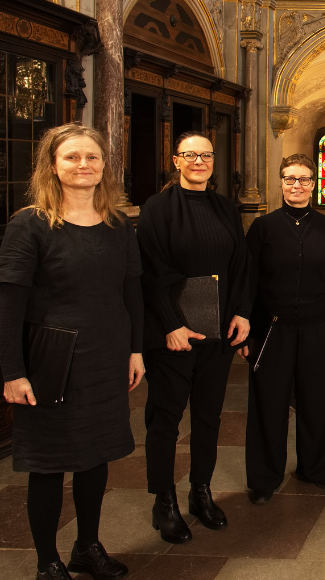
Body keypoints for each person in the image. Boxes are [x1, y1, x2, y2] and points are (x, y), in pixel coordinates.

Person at [0, 124, 143, 580]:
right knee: (49, 463)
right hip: (51, 360)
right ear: (53, 165)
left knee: (95, 457)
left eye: (92, 157)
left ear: (104, 167)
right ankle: (47, 560)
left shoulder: (120, 225)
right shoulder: (29, 225)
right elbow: (9, 304)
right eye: (72, 157)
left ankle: (87, 546)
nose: (84, 165)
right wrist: (11, 371)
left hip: (105, 355)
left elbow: (131, 292)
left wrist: (136, 350)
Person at [137, 131, 251, 544]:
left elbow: (240, 265)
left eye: (206, 155)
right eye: (191, 155)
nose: (200, 161)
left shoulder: (224, 208)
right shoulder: (157, 209)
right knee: (165, 418)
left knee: (208, 415)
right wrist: (171, 324)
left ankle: (200, 490)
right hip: (173, 332)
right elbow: (152, 272)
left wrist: (241, 313)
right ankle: (163, 501)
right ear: (176, 160)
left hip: (217, 328)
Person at [245, 154, 325, 505]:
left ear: (315, 184)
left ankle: (316, 468)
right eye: (290, 179)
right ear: (281, 183)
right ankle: (264, 478)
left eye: (304, 179)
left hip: (319, 327)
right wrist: (248, 332)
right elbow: (249, 282)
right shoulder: (263, 228)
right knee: (268, 404)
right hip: (272, 330)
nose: (297, 185)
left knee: (317, 401)